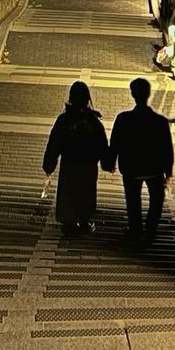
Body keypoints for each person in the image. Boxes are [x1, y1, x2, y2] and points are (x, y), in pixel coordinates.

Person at [108, 77, 174, 245]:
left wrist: (110, 162)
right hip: (154, 168)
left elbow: (115, 143)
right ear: (148, 94)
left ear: (133, 94)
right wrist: (168, 168)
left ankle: (135, 230)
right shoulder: (159, 122)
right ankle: (151, 229)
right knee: (156, 199)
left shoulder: (123, 119)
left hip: (131, 168)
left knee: (132, 200)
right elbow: (167, 146)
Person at [42, 81, 109, 237]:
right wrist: (107, 162)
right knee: (86, 191)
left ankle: (69, 222)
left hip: (70, 163)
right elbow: (102, 144)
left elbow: (55, 142)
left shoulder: (64, 120)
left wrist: (49, 165)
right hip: (88, 165)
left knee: (69, 191)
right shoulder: (93, 121)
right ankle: (84, 220)